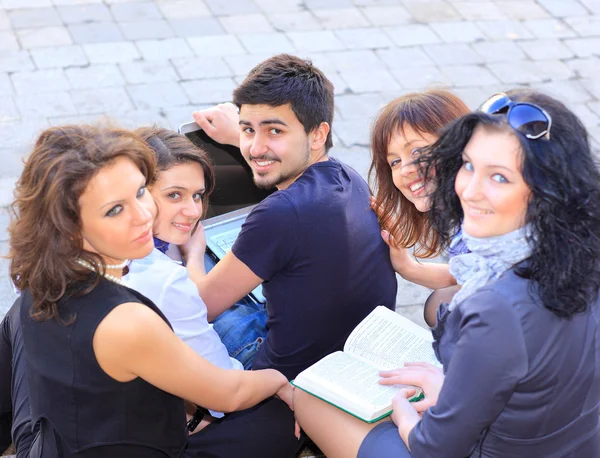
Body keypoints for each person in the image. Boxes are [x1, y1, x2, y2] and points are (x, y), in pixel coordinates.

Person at [293, 90, 600, 457]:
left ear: (547, 188)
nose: (469, 190)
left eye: (499, 178)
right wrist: (452, 385)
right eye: (468, 165)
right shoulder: (578, 251)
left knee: (307, 398)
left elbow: (434, 448)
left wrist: (402, 413)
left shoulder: (496, 307)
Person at [7, 125, 292, 457]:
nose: (144, 215)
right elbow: (228, 395)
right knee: (280, 419)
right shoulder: (129, 319)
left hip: (49, 437)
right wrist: (281, 381)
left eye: (141, 191)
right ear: (69, 226)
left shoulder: (41, 276)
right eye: (115, 210)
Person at [190, 54, 397, 381]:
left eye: (274, 130)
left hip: (281, 373)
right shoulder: (348, 178)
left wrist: (191, 250)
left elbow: (197, 309)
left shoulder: (279, 214)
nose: (256, 148)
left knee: (180, 274)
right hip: (345, 354)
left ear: (317, 135)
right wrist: (240, 137)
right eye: (248, 129)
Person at [125, 126, 266, 372]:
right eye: (174, 195)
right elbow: (225, 381)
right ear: (137, 193)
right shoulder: (160, 278)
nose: (193, 212)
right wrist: (194, 257)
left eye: (197, 195)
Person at [369, 90, 470, 325]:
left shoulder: (486, 219)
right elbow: (466, 275)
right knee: (440, 305)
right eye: (395, 161)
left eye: (417, 152)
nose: (405, 169)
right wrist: (407, 267)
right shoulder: (462, 213)